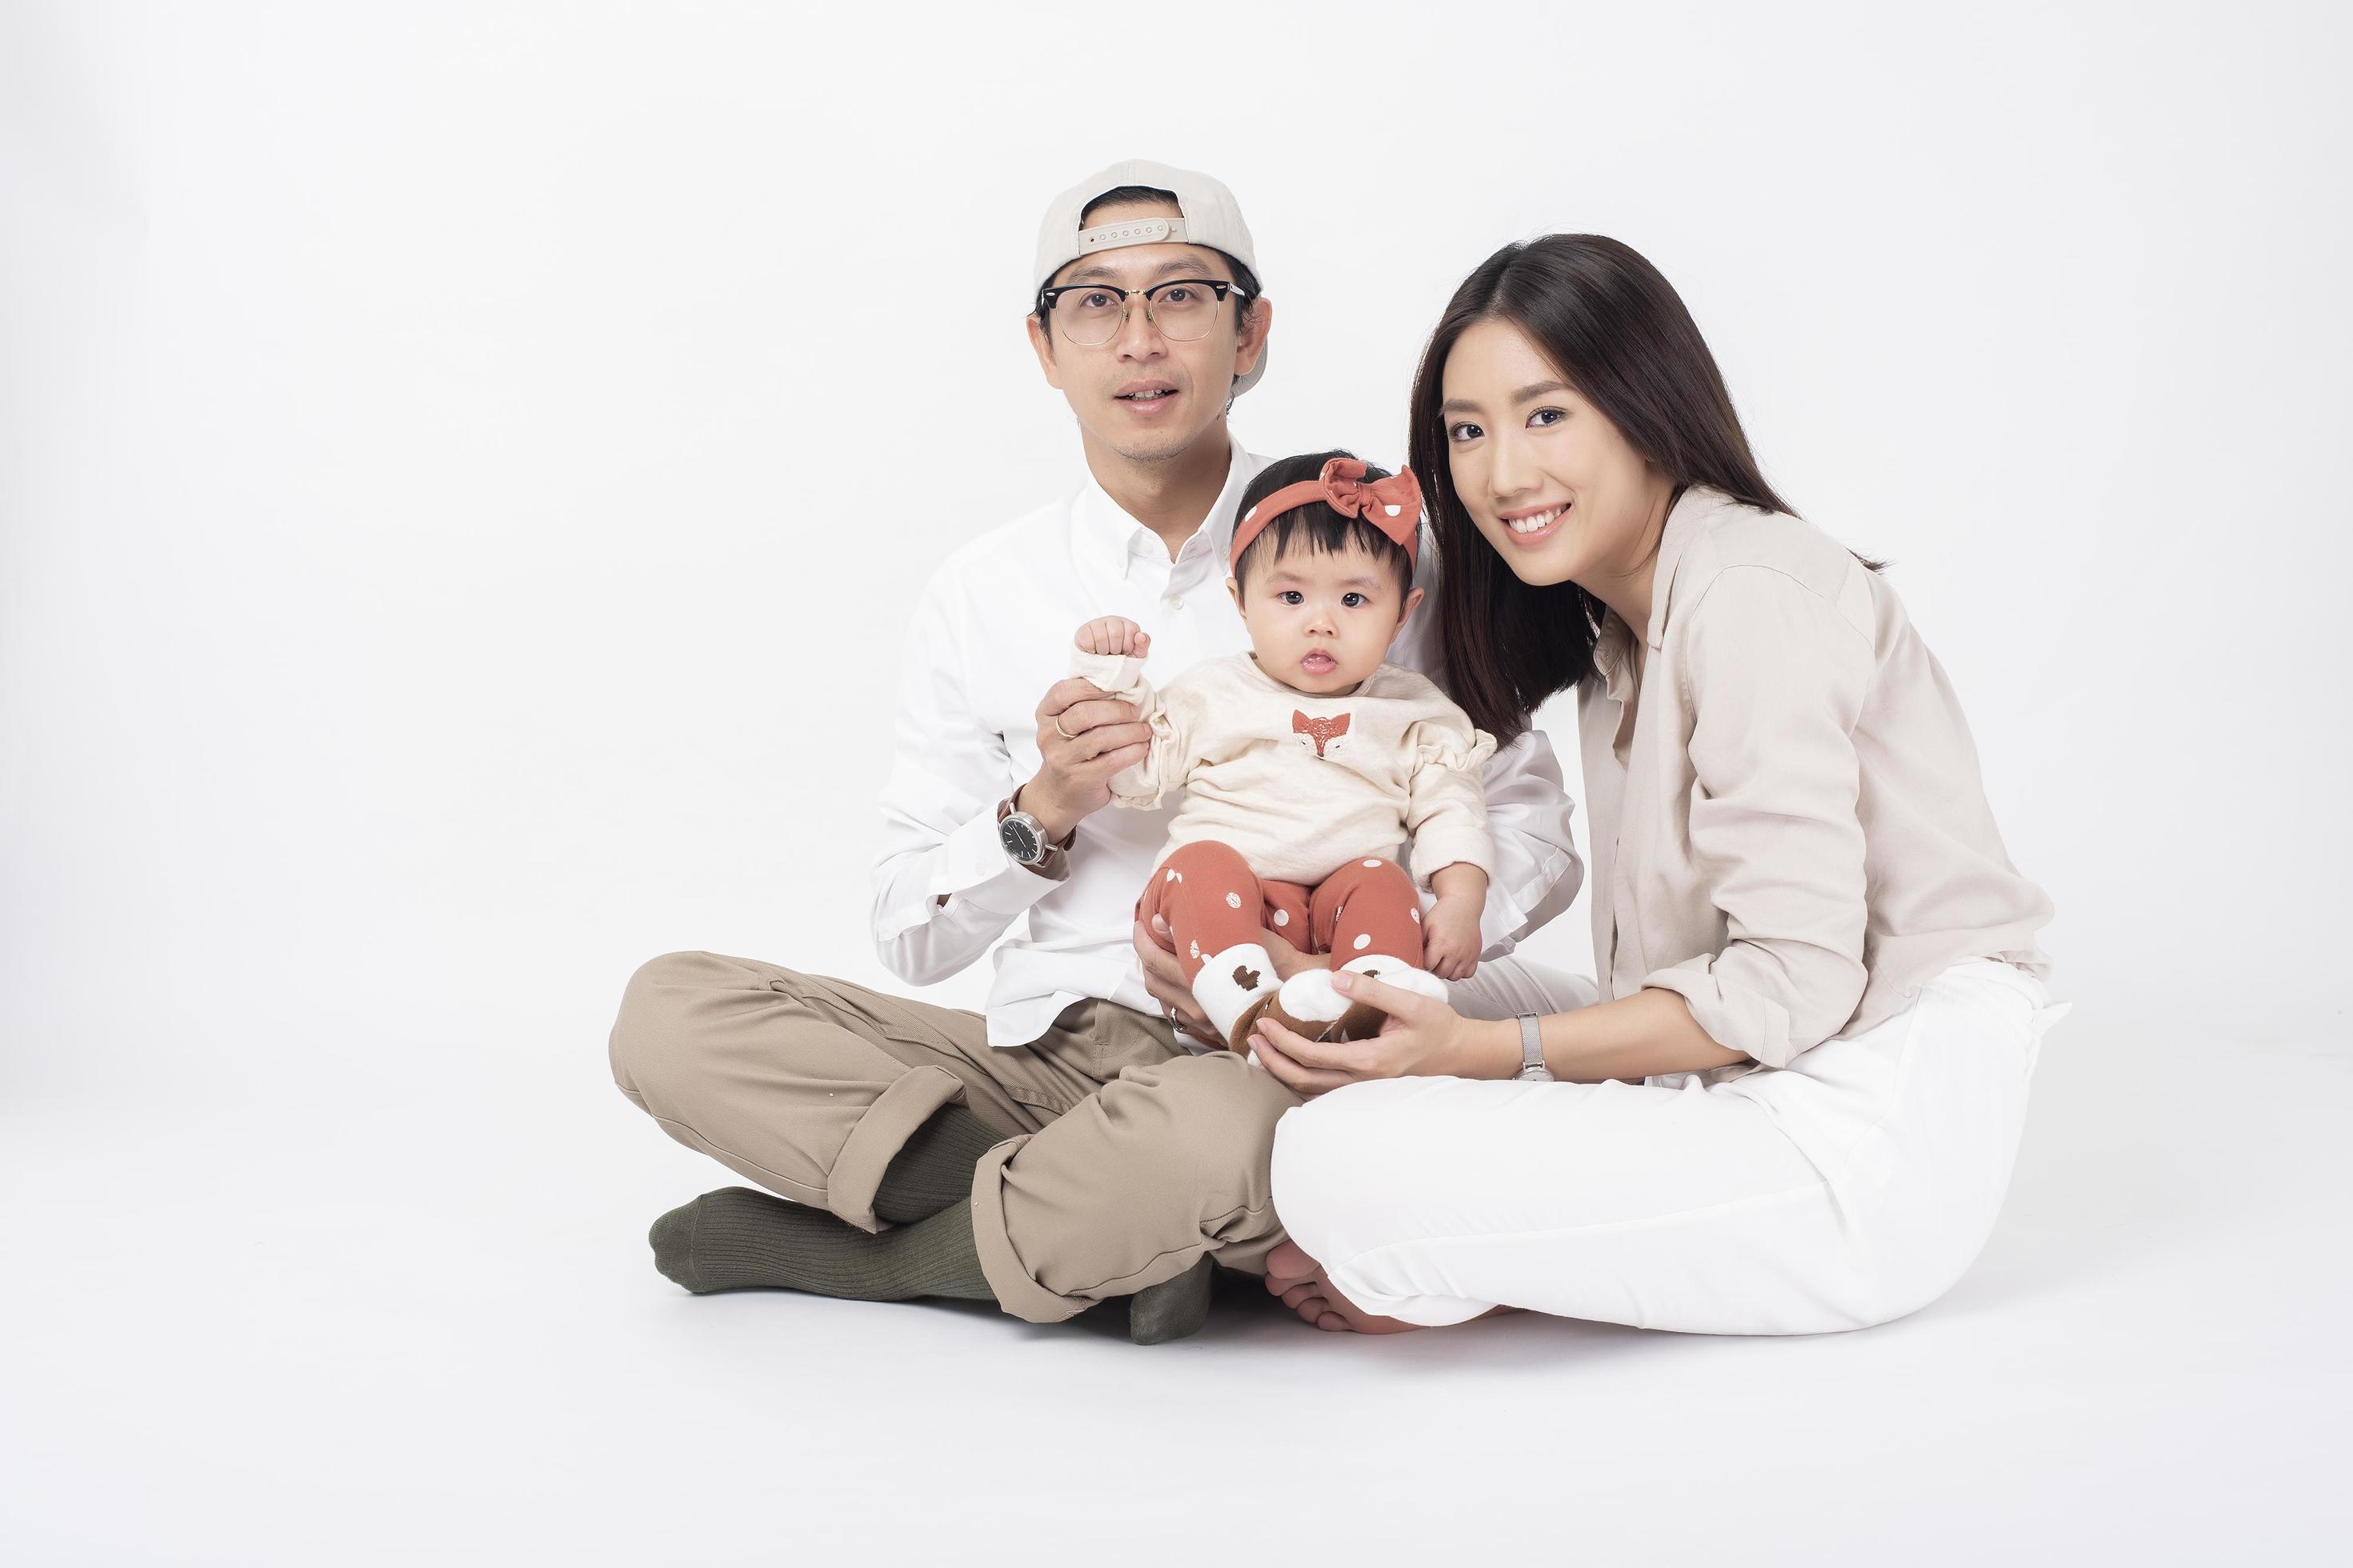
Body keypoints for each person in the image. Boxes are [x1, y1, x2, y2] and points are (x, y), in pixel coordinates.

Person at [605, 163, 1594, 1343]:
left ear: (1251, 334)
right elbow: (909, 931)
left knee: (1227, 1136)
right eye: (1094, 303)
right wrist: (1046, 804)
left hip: (1272, 1053)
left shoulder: (1380, 557)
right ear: (1043, 345)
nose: (1139, 338)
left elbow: (1531, 829)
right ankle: (1125, 1237)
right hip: (1046, 1052)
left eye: (1182, 296)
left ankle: (900, 1259)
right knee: (668, 1016)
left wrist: (1359, 938)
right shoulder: (982, 593)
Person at [1248, 234, 2067, 1336]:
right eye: (1467, 432)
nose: (1500, 475)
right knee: (1375, 1005)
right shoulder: (1623, 629)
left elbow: (1790, 989)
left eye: (1547, 415)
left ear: (1644, 404)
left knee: (1334, 1150)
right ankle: (1453, 1249)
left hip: (1860, 1130)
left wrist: (1484, 1061)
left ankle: (1434, 1260)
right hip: (1755, 1069)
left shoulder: (1746, 592)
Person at [1074, 451, 1495, 1052]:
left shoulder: (1415, 713)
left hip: (1335, 917)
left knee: (1383, 882)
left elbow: (1452, 811)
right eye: (1290, 597)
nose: (1320, 623)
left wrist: (1460, 903)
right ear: (1241, 600)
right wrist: (1111, 678)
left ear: (1402, 615)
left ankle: (1370, 1005)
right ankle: (1247, 1010)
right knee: (1202, 862)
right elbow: (1136, 776)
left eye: (1353, 601)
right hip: (1219, 909)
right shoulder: (1212, 694)